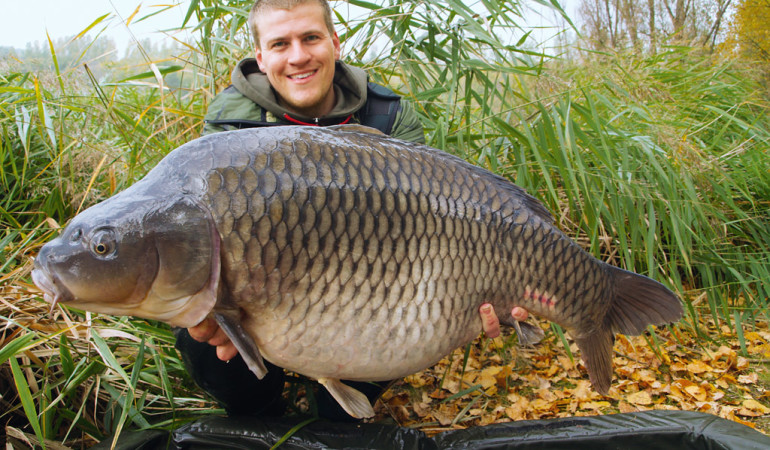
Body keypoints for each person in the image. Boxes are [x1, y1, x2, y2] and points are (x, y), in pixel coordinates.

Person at [175, 0, 530, 421]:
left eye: (310, 38)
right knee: (200, 333)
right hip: (268, 292)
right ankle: (264, 410)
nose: (298, 55)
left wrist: (476, 290)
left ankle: (338, 409)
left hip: (373, 288)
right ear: (261, 57)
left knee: (348, 396)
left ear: (334, 43)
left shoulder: (388, 115)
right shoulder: (229, 126)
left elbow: (443, 219)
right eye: (280, 43)